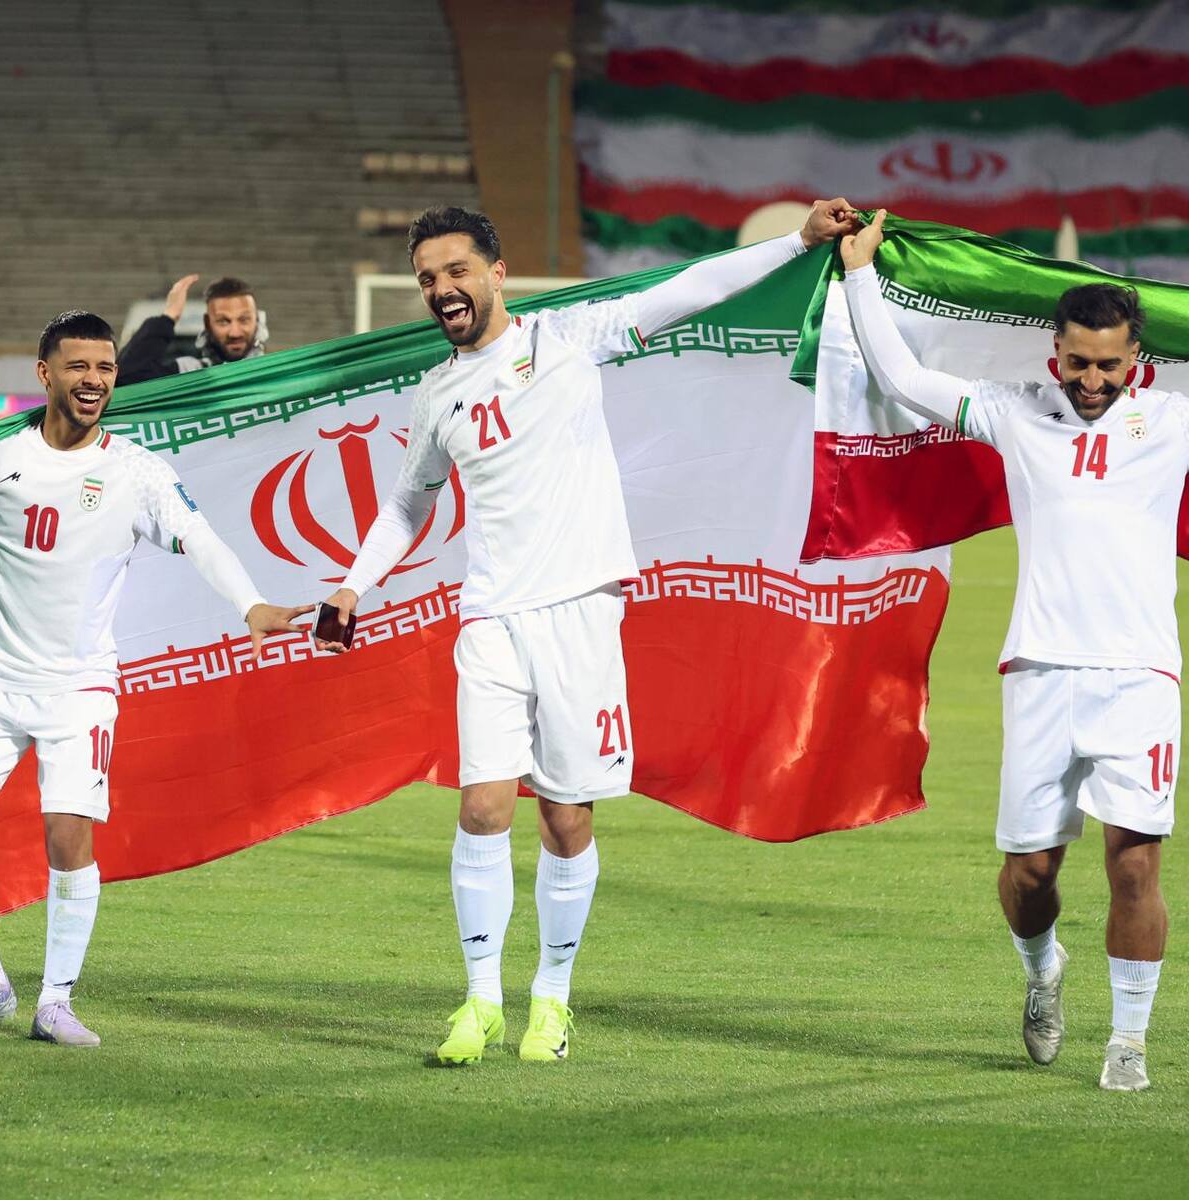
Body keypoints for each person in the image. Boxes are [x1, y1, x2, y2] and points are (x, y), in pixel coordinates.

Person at [316, 200, 860, 1064]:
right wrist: (353, 584)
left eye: (456, 271)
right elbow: (408, 501)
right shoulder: (438, 393)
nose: (441, 289)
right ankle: (480, 1002)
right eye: (426, 278)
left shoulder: (567, 338)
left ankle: (552, 1001)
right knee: (481, 806)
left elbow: (687, 291)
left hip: (580, 610)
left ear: (497, 274)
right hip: (490, 617)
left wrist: (797, 242)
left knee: (567, 818)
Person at [840, 211, 1180, 1091]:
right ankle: (1041, 970)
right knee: (1030, 874)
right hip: (1039, 673)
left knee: (1135, 862)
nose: (1093, 380)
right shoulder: (1015, 413)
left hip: (1141, 676)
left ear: (1136, 358)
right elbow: (903, 376)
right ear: (1054, 355)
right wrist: (862, 273)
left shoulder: (1173, 419)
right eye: (1079, 362)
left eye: (1110, 364)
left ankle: (1129, 1043)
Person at [0, 311, 311, 1047]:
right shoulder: (2, 459)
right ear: (45, 374)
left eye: (104, 367)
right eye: (78, 366)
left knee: (67, 834)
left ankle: (56, 1003)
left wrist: (251, 604)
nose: (94, 380)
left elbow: (199, 537)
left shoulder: (135, 471)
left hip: (79, 691)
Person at [116, 275, 267, 386]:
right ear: (207, 323)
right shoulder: (189, 372)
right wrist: (169, 316)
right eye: (223, 322)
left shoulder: (272, 374)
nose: (235, 333)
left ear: (257, 320)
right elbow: (124, 377)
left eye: (244, 320)